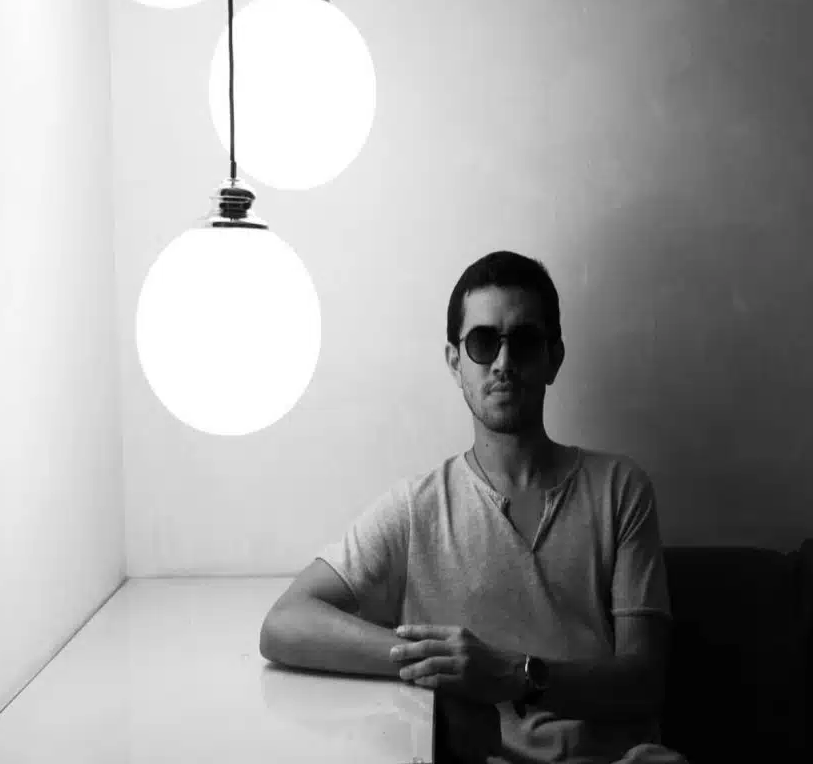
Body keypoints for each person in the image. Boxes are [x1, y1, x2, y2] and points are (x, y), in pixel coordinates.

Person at [260, 250, 689, 764]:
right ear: (454, 362)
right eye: (483, 343)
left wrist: (514, 674)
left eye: (523, 342)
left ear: (553, 358)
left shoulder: (620, 488)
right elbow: (285, 623)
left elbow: (644, 680)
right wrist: (437, 663)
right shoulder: (417, 509)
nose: (503, 363)